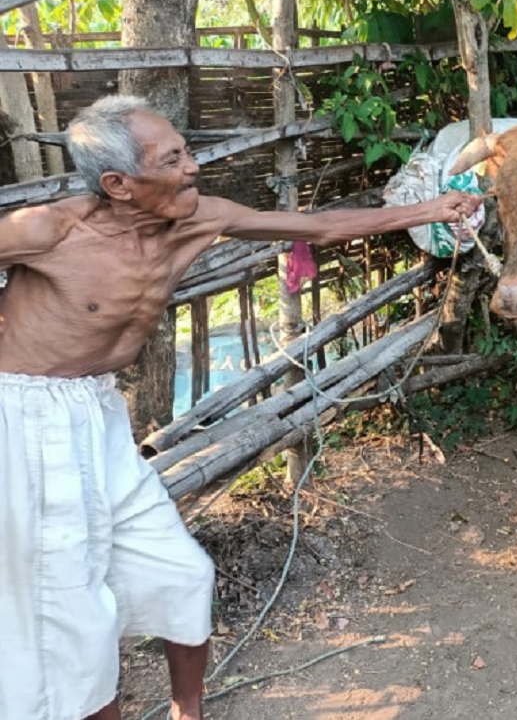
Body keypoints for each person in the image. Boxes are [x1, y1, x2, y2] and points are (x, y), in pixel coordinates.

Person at [0, 95, 481, 720]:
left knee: (182, 577)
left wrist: (432, 208)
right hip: (26, 419)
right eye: (172, 158)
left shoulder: (200, 217)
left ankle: (187, 712)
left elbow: (318, 228)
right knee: (64, 612)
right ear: (118, 184)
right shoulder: (49, 229)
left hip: (98, 414)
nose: (193, 166)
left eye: (187, 150)